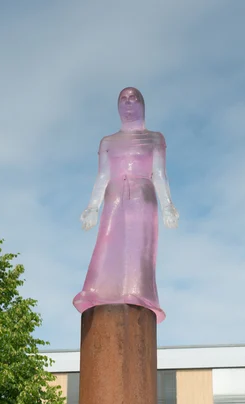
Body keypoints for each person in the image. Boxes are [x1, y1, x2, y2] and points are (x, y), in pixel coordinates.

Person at [73, 87, 179, 323]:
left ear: (142, 104)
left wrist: (168, 206)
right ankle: (98, 290)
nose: (129, 102)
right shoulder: (108, 141)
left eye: (134, 98)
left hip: (143, 194)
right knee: (108, 241)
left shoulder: (154, 138)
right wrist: (92, 207)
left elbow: (159, 174)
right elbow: (102, 176)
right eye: (123, 99)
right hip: (115, 195)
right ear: (118, 106)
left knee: (139, 245)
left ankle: (137, 291)